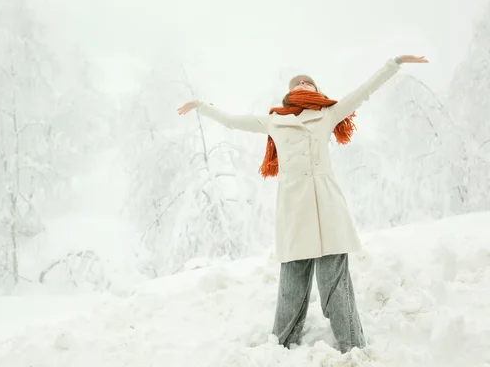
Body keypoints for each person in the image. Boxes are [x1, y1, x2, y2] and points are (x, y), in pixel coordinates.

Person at [177, 55, 429, 353]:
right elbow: (233, 122)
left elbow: (363, 92)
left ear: (316, 88)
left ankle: (353, 346)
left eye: (308, 81)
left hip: (327, 208)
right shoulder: (275, 120)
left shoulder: (327, 114)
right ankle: (280, 347)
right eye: (298, 81)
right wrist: (203, 108)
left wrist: (394, 63)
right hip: (294, 210)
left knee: (334, 282)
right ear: (290, 90)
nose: (303, 82)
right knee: (292, 284)